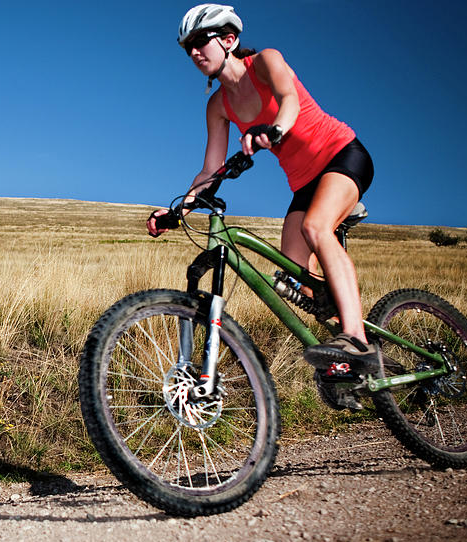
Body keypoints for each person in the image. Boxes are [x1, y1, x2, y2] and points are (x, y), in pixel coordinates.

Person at [147, 4, 378, 374]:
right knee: (299, 281)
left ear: (228, 40)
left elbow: (290, 101)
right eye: (186, 47)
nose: (193, 52)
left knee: (315, 228)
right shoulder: (218, 105)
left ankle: (356, 339)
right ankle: (349, 365)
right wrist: (178, 211)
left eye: (199, 41)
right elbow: (211, 169)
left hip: (341, 155)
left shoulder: (265, 62)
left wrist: (273, 131)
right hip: (304, 184)